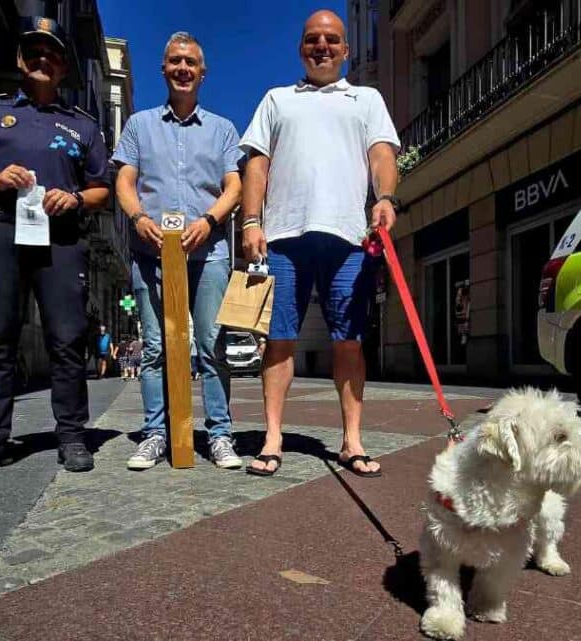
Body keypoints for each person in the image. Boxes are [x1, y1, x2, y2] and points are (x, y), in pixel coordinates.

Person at [240, 10, 400, 477]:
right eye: (313, 39)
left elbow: (382, 155)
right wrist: (251, 221)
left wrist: (385, 197)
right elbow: (257, 166)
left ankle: (352, 441)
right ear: (301, 48)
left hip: (349, 238)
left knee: (349, 343)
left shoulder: (365, 99)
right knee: (280, 341)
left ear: (346, 50)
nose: (322, 46)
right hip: (284, 239)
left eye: (332, 39)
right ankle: (273, 438)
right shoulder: (277, 99)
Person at [0, 17, 109, 475]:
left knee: (66, 341)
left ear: (63, 67)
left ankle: (73, 436)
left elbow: (103, 188)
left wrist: (75, 197)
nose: (43, 59)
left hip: (61, 239)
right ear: (21, 60)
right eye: (34, 52)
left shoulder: (83, 125)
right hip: (0, 228)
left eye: (52, 54)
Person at [113, 31, 243, 470]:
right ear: (164, 69)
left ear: (202, 72)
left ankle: (220, 435)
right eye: (175, 62)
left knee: (211, 344)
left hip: (209, 254)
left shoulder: (224, 129)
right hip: (151, 253)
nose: (183, 69)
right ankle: (155, 434)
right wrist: (138, 218)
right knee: (154, 347)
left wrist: (209, 221)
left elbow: (235, 186)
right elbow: (125, 181)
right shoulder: (139, 125)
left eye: (191, 62)